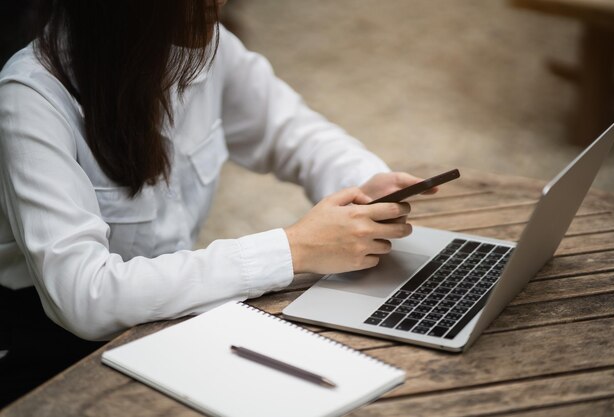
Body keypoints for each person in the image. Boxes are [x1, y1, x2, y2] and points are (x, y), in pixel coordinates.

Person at [0, 0, 430, 405]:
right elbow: (83, 298)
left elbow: (292, 132)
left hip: (174, 311)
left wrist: (362, 183)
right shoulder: (32, 98)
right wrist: (294, 249)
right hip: (52, 349)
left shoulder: (203, 45)